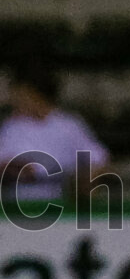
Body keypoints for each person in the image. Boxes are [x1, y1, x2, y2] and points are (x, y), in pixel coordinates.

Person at [0, 60, 109, 203]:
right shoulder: (11, 127)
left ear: (33, 94)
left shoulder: (69, 125)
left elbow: (100, 161)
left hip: (60, 210)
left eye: (20, 94)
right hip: (16, 209)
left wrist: (80, 181)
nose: (14, 101)